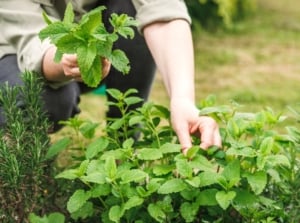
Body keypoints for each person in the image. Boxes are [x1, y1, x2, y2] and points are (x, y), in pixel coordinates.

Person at [0, 0, 221, 154]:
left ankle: (123, 142)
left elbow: (162, 9)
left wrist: (183, 100)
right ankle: (22, 158)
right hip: (13, 48)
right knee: (43, 103)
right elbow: (33, 44)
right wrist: (68, 61)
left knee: (130, 11)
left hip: (87, 48)